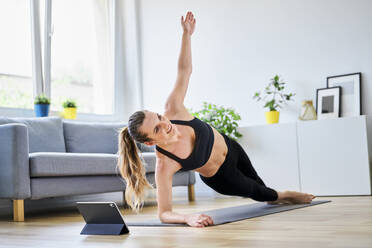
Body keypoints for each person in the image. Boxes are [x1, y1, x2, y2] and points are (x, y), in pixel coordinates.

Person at [117, 11, 315, 228]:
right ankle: (284, 194)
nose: (166, 124)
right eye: (157, 129)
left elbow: (185, 70)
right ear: (150, 143)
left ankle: (271, 195)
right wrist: (188, 218)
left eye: (159, 117)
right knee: (258, 192)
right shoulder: (166, 163)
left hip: (232, 147)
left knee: (260, 185)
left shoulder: (173, 108)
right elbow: (164, 214)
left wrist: (187, 35)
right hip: (223, 177)